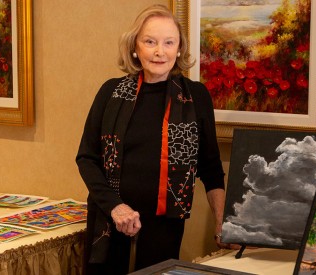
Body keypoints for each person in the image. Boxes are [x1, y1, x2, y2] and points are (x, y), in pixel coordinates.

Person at [76, 4, 229, 274]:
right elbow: (87, 158)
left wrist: (222, 222)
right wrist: (116, 208)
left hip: (165, 225)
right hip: (110, 219)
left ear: (179, 48)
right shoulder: (110, 92)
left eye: (169, 42)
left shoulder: (196, 97)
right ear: (135, 47)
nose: (160, 51)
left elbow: (211, 168)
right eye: (150, 42)